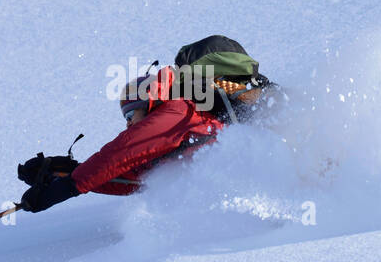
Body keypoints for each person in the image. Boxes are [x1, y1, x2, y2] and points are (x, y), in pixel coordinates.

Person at [18, 35, 272, 213]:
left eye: (130, 115)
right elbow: (134, 179)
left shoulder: (176, 111)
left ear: (147, 100)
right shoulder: (173, 133)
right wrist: (65, 173)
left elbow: (122, 152)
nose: (129, 125)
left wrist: (68, 187)